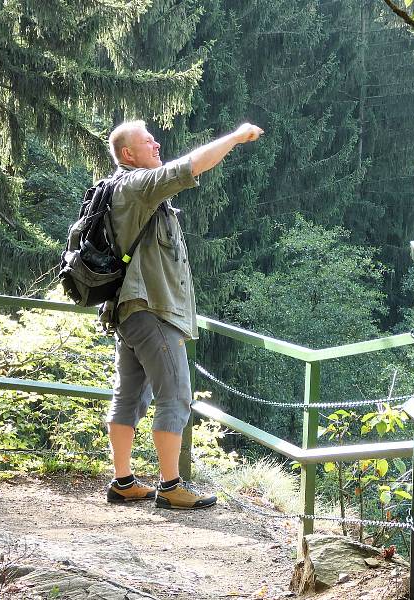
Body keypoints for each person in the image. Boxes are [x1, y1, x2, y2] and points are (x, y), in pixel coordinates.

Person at [103, 119, 263, 509]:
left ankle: (123, 481)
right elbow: (190, 166)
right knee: (175, 395)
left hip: (130, 310)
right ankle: (171, 486)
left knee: (129, 396)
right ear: (128, 154)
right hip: (152, 310)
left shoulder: (120, 189)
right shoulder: (138, 185)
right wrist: (237, 136)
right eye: (147, 141)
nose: (156, 144)